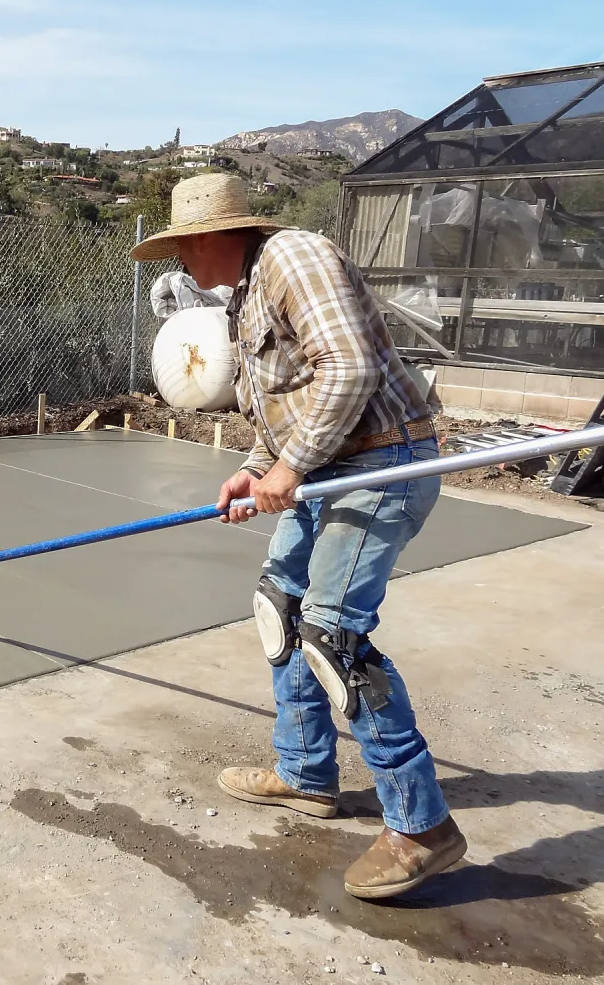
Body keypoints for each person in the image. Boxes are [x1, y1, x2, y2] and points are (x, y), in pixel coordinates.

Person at [131, 174, 465, 900]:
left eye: (185, 245)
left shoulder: (295, 258)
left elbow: (350, 367)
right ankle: (305, 772)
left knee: (332, 636)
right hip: (329, 466)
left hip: (381, 464)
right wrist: (258, 469)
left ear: (221, 234)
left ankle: (421, 826)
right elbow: (282, 404)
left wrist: (290, 465)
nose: (181, 261)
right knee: (281, 606)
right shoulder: (245, 294)